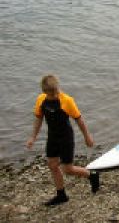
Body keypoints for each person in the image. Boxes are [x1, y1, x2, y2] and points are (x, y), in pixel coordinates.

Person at [26, 75, 100, 206]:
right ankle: (61, 195)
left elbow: (79, 120)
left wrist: (87, 136)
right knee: (52, 165)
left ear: (57, 88)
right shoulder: (41, 100)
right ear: (44, 91)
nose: (55, 95)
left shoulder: (67, 101)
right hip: (53, 137)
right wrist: (33, 137)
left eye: (56, 91)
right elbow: (38, 119)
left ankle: (92, 175)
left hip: (66, 137)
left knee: (68, 169)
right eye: (51, 93)